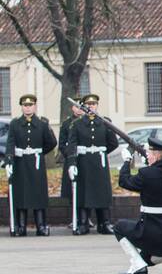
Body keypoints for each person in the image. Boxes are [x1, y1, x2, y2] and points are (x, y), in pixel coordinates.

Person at [114, 137, 162, 274]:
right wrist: (151, 166)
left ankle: (137, 266)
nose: (147, 154)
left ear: (157, 155)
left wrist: (127, 161)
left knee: (119, 227)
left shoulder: (146, 173)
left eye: (149, 153)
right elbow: (159, 175)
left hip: (149, 232)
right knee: (147, 258)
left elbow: (124, 181)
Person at [64, 94, 118, 235]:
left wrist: (100, 152)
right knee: (84, 193)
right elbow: (72, 145)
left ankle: (104, 223)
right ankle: (83, 223)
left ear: (97, 105)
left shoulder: (105, 122)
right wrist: (72, 163)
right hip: (84, 161)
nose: (91, 106)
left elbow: (113, 143)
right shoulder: (77, 124)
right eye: (88, 104)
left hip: (99, 162)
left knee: (102, 192)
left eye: (94, 104)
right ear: (84, 106)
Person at [5, 94, 57, 236]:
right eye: (25, 105)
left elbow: (51, 142)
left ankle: (41, 225)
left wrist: (39, 152)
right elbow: (10, 143)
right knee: (21, 194)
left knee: (38, 194)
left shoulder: (41, 124)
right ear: (21, 107)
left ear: (34, 106)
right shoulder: (15, 124)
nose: (27, 108)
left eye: (30, 105)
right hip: (20, 163)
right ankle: (21, 226)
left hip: (36, 164)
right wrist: (9, 160)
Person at [57, 100, 83, 221]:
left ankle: (85, 218)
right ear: (72, 108)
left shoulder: (86, 122)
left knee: (84, 189)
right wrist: (69, 154)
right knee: (72, 190)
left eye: (81, 107)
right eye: (76, 107)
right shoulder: (66, 123)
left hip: (84, 159)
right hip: (71, 159)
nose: (79, 109)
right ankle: (75, 217)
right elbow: (61, 143)